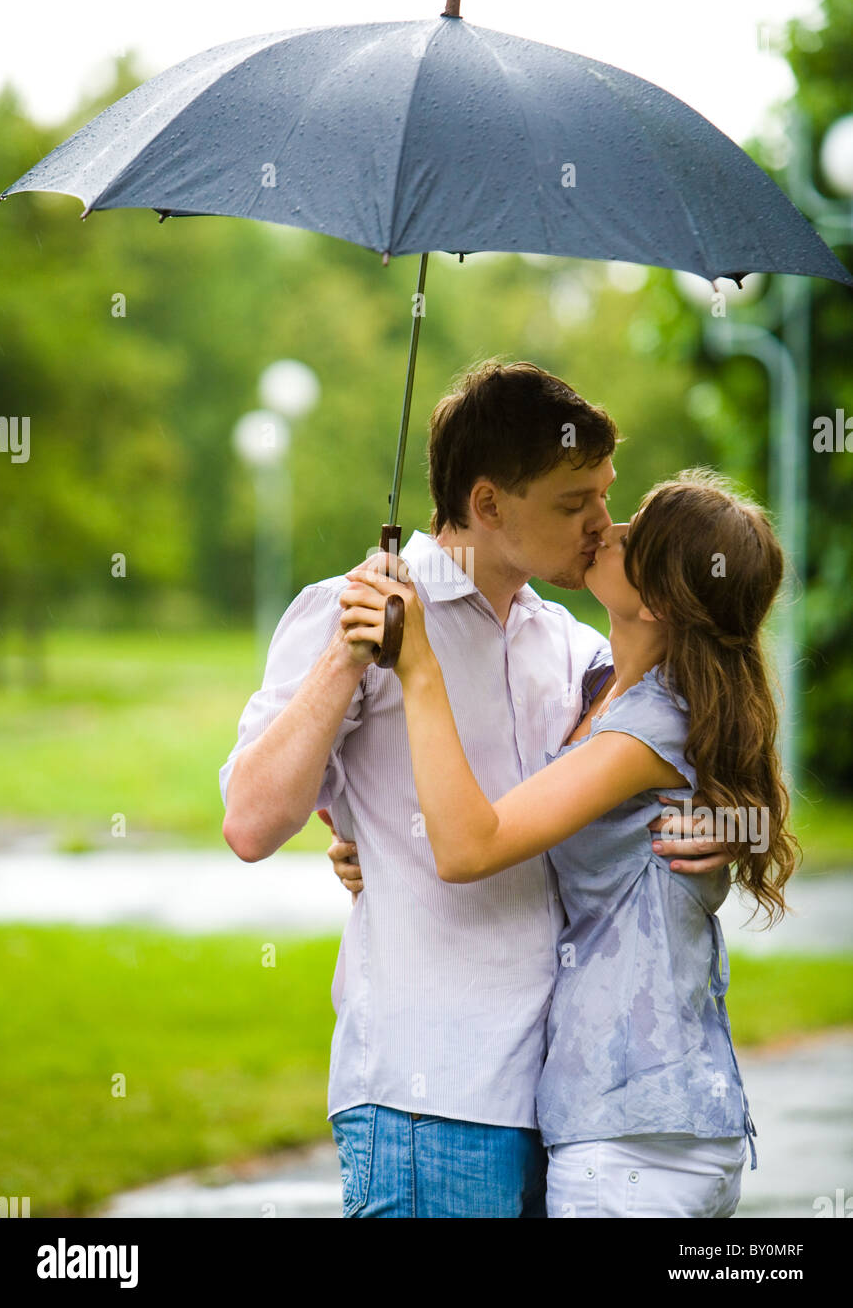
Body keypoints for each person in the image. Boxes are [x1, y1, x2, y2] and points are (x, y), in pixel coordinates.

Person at [219, 359, 731, 1220]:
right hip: (432, 1101)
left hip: (566, 1109)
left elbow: (673, 741)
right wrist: (346, 662)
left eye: (606, 495)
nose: (603, 526)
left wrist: (728, 827)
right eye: (576, 504)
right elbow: (250, 823)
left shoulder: (567, 648)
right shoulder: (346, 613)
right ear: (489, 505)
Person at [336, 469, 799, 1218]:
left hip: (636, 1137)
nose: (605, 528)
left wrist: (419, 664)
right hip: (640, 1123)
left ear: (657, 603)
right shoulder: (604, 686)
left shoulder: (650, 725)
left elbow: (469, 846)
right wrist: (380, 846)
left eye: (632, 535)